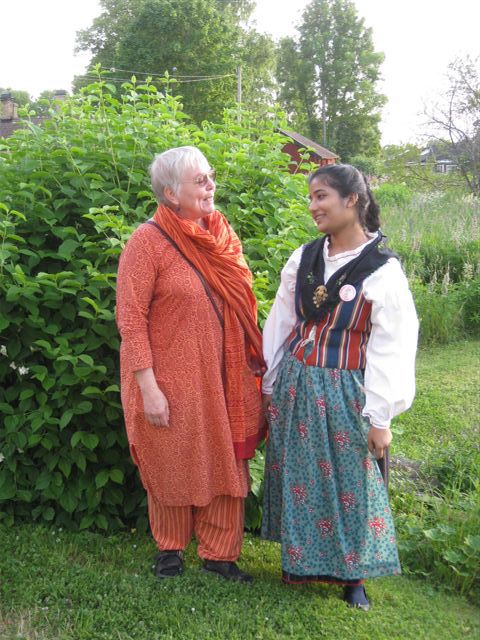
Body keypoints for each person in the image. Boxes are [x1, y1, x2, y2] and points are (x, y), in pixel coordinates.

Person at [261, 164, 418, 610]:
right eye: (310, 198)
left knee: (354, 481)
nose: (313, 206)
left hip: (349, 390)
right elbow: (281, 324)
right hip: (296, 383)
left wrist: (381, 415)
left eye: (322, 196)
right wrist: (270, 384)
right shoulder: (304, 257)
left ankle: (355, 578)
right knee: (300, 477)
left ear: (352, 200)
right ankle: (300, 563)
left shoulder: (382, 271)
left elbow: (393, 346)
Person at [116, 146, 265, 582]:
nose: (210, 185)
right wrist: (148, 387)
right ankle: (170, 550)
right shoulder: (147, 242)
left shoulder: (220, 233)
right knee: (172, 457)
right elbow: (130, 319)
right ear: (169, 192)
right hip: (168, 378)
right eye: (199, 180)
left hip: (224, 376)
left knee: (224, 462)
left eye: (211, 176)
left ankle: (220, 553)